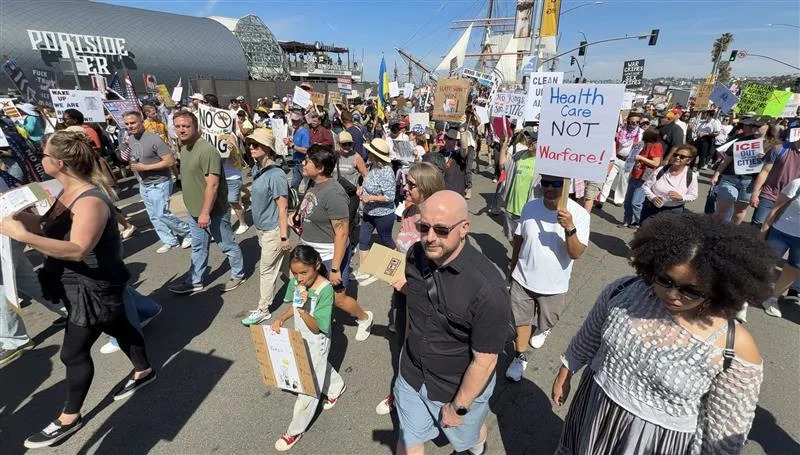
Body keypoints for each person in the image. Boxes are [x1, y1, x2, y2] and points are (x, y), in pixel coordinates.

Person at [552, 212, 771, 455]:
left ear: (718, 288)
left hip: (655, 444)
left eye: (690, 291)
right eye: (665, 280)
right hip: (592, 413)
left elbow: (724, 434)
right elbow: (590, 335)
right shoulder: (625, 291)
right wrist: (566, 370)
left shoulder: (735, 344)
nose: (673, 295)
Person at [0, 131, 155, 448]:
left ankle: (69, 417)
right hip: (74, 282)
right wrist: (16, 217)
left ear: (59, 163)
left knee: (72, 353)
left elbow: (77, 249)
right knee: (119, 326)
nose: (40, 159)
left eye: (44, 155)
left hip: (93, 287)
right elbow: (48, 228)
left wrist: (22, 235)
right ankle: (144, 370)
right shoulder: (61, 192)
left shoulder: (90, 201)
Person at [392, 190, 512, 455]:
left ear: (464, 228)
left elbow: (485, 362)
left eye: (441, 229)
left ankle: (477, 446)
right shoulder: (415, 255)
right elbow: (415, 307)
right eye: (424, 227)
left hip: (455, 387)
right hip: (411, 374)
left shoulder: (488, 290)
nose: (430, 237)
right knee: (408, 439)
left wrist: (459, 407)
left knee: (468, 437)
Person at [505, 175, 590, 381]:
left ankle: (544, 329)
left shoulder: (579, 214)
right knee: (520, 320)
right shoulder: (530, 207)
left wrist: (569, 227)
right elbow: (519, 239)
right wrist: (513, 266)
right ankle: (519, 356)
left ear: (567, 184)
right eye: (546, 182)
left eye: (556, 183)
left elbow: (576, 253)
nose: (549, 188)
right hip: (523, 278)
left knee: (548, 320)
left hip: (554, 286)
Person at [294, 145, 374, 341]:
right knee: (311, 290)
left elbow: (342, 232)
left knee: (338, 298)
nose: (303, 164)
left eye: (308, 161)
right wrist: (295, 218)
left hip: (329, 255)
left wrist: (335, 268)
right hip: (311, 253)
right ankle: (318, 322)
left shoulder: (334, 192)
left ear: (320, 167)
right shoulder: (314, 184)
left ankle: (364, 318)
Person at [270, 246, 345, 451]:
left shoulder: (325, 290)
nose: (299, 278)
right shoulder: (297, 282)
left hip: (316, 339)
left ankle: (294, 431)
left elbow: (318, 327)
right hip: (300, 335)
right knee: (318, 366)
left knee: (308, 385)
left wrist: (303, 310)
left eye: (304, 272)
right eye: (295, 273)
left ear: (317, 265)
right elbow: (293, 306)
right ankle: (336, 387)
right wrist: (281, 318)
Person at [167, 111, 245, 294]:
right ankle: (195, 281)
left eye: (186, 126)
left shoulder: (207, 151)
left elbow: (213, 185)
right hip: (194, 210)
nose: (181, 130)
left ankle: (238, 274)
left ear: (196, 127)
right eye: (178, 126)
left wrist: (205, 212)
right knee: (198, 246)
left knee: (226, 245)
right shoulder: (184, 148)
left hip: (213, 211)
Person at [240, 129, 291, 326]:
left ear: (268, 149)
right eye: (250, 144)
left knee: (267, 269)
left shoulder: (276, 175)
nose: (251, 148)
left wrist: (284, 237)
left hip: (274, 230)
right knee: (284, 264)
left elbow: (283, 207)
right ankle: (303, 286)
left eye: (256, 145)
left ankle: (263, 309)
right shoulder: (257, 168)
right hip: (262, 229)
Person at [122, 111, 191, 253]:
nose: (130, 126)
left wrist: (145, 167)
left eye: (133, 123)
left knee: (161, 213)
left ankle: (188, 232)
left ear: (141, 122)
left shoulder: (154, 139)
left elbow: (170, 161)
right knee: (153, 215)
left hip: (159, 182)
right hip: (144, 183)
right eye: (127, 124)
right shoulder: (131, 139)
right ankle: (169, 241)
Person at [711, 115, 771, 224]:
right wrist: (716, 175)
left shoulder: (772, 146)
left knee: (740, 211)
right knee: (721, 211)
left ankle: (732, 232)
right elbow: (727, 159)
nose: (754, 128)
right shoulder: (741, 140)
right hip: (730, 178)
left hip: (750, 183)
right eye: (753, 125)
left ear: (768, 127)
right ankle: (713, 230)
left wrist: (765, 158)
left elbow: (770, 170)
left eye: (758, 126)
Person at [354, 139, 396, 286]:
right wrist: (362, 189)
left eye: (370, 152)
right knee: (363, 239)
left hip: (383, 213)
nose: (367, 153)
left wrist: (370, 197)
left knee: (386, 240)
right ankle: (365, 269)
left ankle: (396, 268)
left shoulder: (386, 172)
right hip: (368, 211)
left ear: (376, 155)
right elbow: (368, 183)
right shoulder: (372, 165)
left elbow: (390, 197)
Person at [758, 177, 800, 318]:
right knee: (765, 264)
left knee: (793, 270)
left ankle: (773, 299)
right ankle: (746, 297)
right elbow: (776, 207)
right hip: (780, 232)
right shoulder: (797, 184)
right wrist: (764, 230)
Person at [495, 127, 539, 241]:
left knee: (525, 241)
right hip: (511, 208)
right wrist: (503, 146)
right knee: (511, 240)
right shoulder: (520, 155)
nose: (530, 141)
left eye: (534, 140)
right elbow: (503, 165)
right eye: (529, 138)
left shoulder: (543, 163)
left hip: (529, 212)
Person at [640, 144, 699, 224]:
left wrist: (681, 197)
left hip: (673, 212)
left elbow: (693, 195)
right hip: (651, 209)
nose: (677, 158)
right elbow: (645, 186)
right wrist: (653, 198)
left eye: (682, 157)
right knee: (645, 230)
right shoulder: (661, 170)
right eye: (676, 155)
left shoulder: (691, 176)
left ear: (689, 160)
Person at [749, 138, 800, 228]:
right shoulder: (780, 149)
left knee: (775, 230)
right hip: (769, 196)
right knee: (757, 227)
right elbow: (765, 172)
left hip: (789, 201)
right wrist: (755, 193)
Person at [622, 128, 663, 227]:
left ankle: (640, 222)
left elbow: (656, 163)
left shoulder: (656, 146)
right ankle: (627, 220)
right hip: (635, 174)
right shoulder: (643, 144)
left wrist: (641, 158)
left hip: (644, 176)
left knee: (636, 202)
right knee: (628, 201)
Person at [600, 112, 642, 206]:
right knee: (608, 179)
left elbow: (641, 148)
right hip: (616, 158)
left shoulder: (641, 134)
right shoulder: (620, 130)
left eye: (636, 122)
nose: (633, 124)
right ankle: (601, 199)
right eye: (631, 122)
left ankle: (619, 200)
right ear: (628, 121)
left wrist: (638, 161)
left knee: (623, 182)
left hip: (628, 161)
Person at [222, 133, 249, 235]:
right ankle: (225, 226)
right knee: (224, 203)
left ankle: (243, 223)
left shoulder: (230, 136)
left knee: (233, 201)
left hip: (232, 176)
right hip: (220, 177)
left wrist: (229, 151)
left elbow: (236, 159)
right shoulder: (212, 136)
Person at [439, 128, 468, 196]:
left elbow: (464, 148)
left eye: (450, 139)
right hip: (443, 189)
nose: (447, 140)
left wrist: (462, 132)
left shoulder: (459, 153)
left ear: (456, 141)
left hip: (456, 190)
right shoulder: (442, 152)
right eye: (446, 137)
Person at [287, 111, 310, 190]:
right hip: (296, 163)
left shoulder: (304, 132)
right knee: (294, 185)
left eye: (295, 120)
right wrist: (289, 143)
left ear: (300, 121)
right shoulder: (295, 131)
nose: (293, 122)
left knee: (308, 186)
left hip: (303, 163)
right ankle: (295, 197)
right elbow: (295, 146)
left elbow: (305, 150)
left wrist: (292, 145)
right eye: (292, 120)